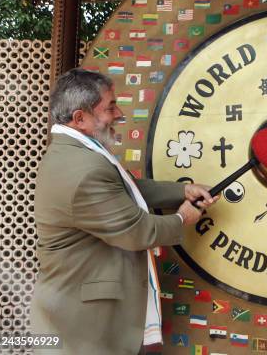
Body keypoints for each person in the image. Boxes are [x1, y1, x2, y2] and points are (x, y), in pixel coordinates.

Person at [30, 68, 218, 354]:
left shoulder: (74, 154)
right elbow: (137, 232)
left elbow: (123, 189)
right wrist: (182, 218)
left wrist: (181, 190)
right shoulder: (84, 169)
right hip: (82, 328)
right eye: (110, 107)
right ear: (79, 118)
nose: (118, 114)